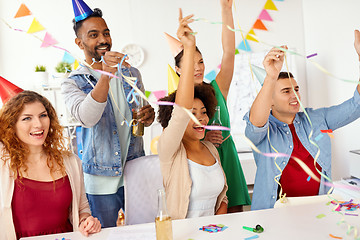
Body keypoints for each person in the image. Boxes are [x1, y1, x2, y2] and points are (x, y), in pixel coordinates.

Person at [61, 0, 155, 227]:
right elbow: (88, 117)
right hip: (100, 179)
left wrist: (148, 116)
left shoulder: (131, 73)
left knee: (139, 231)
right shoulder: (72, 82)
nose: (103, 40)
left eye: (106, 33)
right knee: (105, 234)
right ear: (79, 42)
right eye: (93, 35)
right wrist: (106, 74)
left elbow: (139, 119)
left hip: (135, 172)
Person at [244, 30, 360, 210]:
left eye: (296, 89)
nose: (295, 95)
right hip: (273, 216)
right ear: (270, 100)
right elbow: (255, 123)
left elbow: (356, 105)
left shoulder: (317, 118)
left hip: (317, 210)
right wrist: (271, 77)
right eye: (286, 91)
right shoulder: (263, 129)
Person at [170, 0, 250, 212]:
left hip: (227, 157)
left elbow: (228, 53)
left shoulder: (217, 88)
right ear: (178, 69)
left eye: (201, 61)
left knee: (234, 218)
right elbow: (174, 141)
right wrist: (203, 139)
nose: (198, 68)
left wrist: (226, 10)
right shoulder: (177, 101)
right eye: (190, 62)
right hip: (198, 167)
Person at [0, 91, 101, 240]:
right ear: (11, 124)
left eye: (43, 115)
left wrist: (86, 221)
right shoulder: (3, 162)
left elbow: (81, 208)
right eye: (27, 118)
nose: (38, 124)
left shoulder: (70, 161)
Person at [157, 9, 228, 220]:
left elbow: (223, 196)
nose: (201, 119)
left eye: (204, 112)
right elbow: (181, 111)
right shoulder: (170, 150)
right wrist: (188, 48)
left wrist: (219, 227)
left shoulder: (210, 149)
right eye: (193, 114)